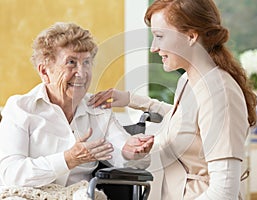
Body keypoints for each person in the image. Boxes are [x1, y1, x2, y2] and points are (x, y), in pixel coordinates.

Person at [89, 0, 257, 199]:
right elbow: (187, 119)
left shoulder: (220, 93)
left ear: (191, 36)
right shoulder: (188, 80)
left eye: (159, 36)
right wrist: (130, 99)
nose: (153, 47)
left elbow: (224, 192)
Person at [0, 22, 154, 188]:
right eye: (71, 62)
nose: (81, 73)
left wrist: (131, 153)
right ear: (45, 71)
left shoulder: (98, 110)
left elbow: (126, 158)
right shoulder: (20, 108)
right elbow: (10, 174)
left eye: (86, 62)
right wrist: (68, 159)